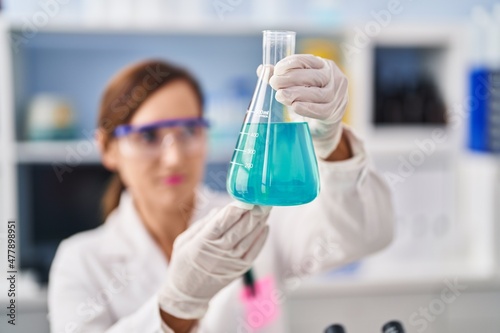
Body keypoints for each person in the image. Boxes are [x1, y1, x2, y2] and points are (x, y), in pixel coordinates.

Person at [48, 55, 394, 333]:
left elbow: (365, 234)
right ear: (107, 148)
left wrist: (331, 143)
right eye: (149, 136)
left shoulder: (257, 218)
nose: (174, 157)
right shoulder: (80, 262)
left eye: (188, 130)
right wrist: (175, 306)